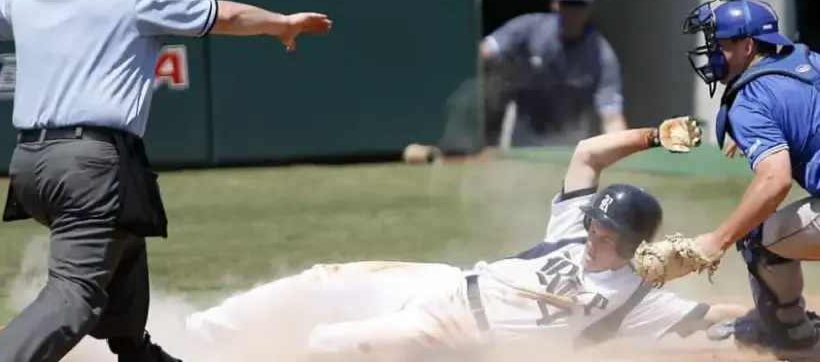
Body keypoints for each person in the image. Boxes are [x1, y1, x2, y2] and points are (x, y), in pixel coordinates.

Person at [0, 0, 331, 362]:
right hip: (90, 162)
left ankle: (136, 351)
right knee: (74, 295)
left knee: (127, 221)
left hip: (29, 167)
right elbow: (223, 16)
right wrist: (281, 23)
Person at [178, 117, 746, 362]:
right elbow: (587, 154)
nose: (595, 230)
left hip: (457, 329)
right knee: (319, 281)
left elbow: (712, 315)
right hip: (444, 282)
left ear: (632, 242)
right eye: (595, 220)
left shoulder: (639, 299)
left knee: (329, 344)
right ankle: (185, 341)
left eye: (607, 229)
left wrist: (773, 304)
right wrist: (656, 135)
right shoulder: (573, 231)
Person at [680, 0, 820, 361]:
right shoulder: (811, 62)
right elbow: (801, 113)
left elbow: (775, 182)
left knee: (756, 235)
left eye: (719, 45)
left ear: (747, 46)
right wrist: (771, 135)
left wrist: (717, 239)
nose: (712, 53)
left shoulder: (751, 100)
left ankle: (793, 335)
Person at [479, 0, 627, 149]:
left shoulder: (601, 55)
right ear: (555, 5)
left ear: (589, 9)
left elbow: (611, 115)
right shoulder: (529, 28)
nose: (573, 11)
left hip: (572, 134)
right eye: (567, 4)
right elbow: (485, 50)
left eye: (580, 4)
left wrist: (622, 155)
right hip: (525, 128)